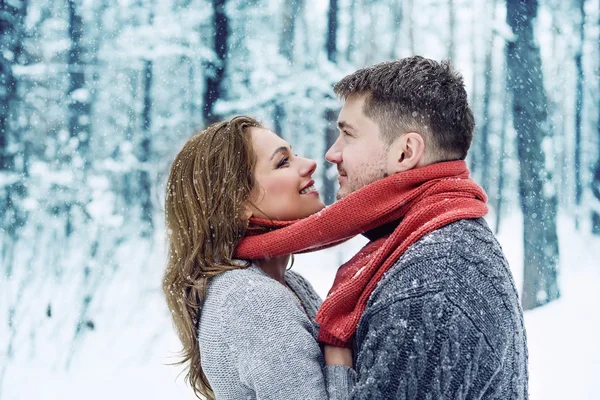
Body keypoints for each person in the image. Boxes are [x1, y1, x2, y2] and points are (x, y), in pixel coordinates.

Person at [235, 56, 528, 399]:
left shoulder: (429, 286)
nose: (332, 153)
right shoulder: (446, 239)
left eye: (348, 135)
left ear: (405, 152)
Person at [162, 116, 355, 400]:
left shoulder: (284, 282)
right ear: (236, 203)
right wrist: (339, 354)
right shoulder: (252, 299)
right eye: (283, 162)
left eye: (295, 153)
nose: (310, 163)